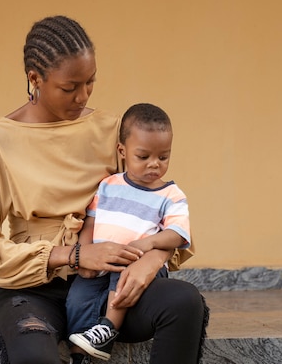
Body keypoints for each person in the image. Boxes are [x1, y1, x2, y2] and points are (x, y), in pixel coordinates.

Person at [0, 15, 208, 364]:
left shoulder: (111, 130)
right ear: (35, 79)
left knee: (184, 302)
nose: (83, 96)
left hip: (111, 286)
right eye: (69, 87)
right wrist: (76, 255)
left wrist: (150, 262)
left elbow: (161, 211)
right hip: (34, 291)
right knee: (35, 358)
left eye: (90, 82)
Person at [67, 103, 191, 362]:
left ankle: (108, 328)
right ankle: (82, 350)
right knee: (77, 297)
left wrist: (146, 244)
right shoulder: (107, 185)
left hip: (137, 263)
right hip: (102, 261)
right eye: (143, 157)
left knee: (121, 278)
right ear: (122, 151)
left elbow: (177, 234)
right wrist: (84, 252)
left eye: (163, 157)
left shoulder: (170, 194)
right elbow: (90, 222)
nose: (154, 165)